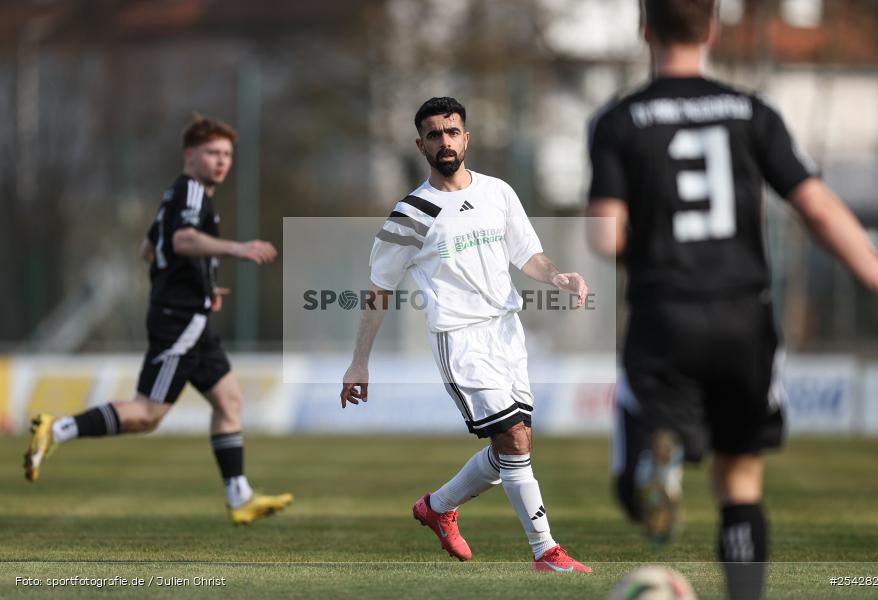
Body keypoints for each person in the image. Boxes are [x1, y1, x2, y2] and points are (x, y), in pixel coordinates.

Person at [587, 2, 878, 599]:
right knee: (740, 480)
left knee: (637, 462)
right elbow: (817, 208)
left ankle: (656, 468)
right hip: (742, 315)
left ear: (645, 28)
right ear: (712, 28)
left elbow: (605, 236)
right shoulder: (753, 113)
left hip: (665, 311)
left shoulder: (620, 121)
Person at [341, 97, 592, 573]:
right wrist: (359, 361)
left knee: (512, 446)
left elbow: (529, 254)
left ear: (466, 137)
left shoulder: (498, 191)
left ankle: (437, 508)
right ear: (421, 145)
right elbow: (379, 289)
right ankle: (545, 552)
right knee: (514, 441)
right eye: (434, 134)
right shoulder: (410, 213)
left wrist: (558, 276)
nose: (444, 141)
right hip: (459, 339)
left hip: (506, 333)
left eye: (452, 131)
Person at [24, 115, 294, 525]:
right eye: (212, 153)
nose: (222, 161)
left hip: (191, 315)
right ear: (190, 155)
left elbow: (149, 247)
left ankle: (240, 497)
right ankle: (56, 429)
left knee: (229, 398)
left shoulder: (180, 194)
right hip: (180, 320)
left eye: (227, 154)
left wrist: (202, 286)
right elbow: (182, 240)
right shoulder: (190, 192)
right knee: (148, 413)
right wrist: (237, 249)